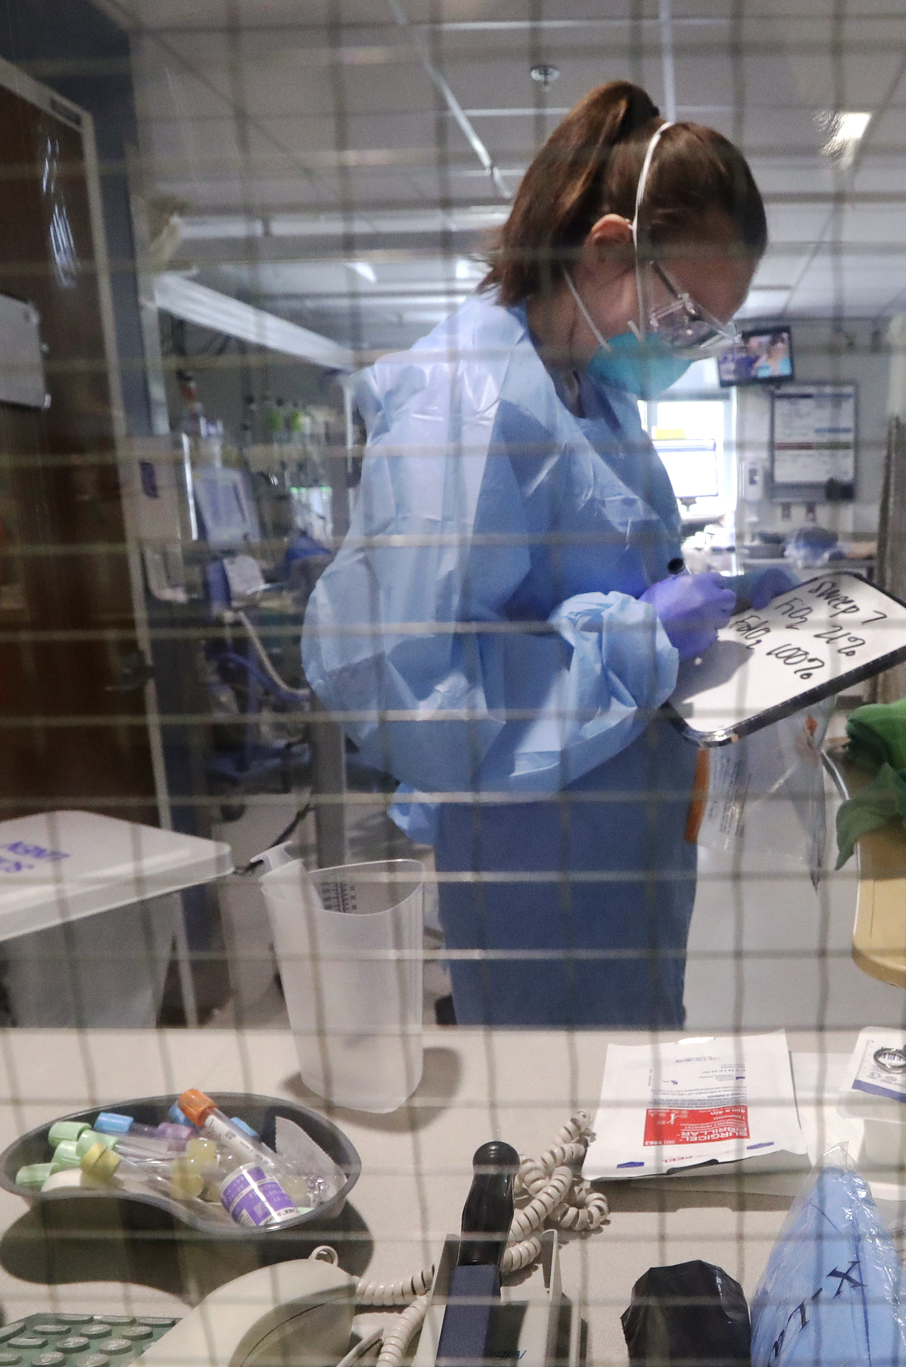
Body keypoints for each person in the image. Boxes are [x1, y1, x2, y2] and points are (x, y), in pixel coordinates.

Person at [306, 82, 786, 1028]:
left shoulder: (591, 395)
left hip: (619, 836)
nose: (687, 348)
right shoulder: (469, 409)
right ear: (607, 249)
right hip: (536, 856)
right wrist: (644, 636)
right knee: (552, 1128)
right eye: (687, 316)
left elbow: (593, 583)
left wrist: (711, 604)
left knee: (628, 1097)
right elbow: (410, 680)